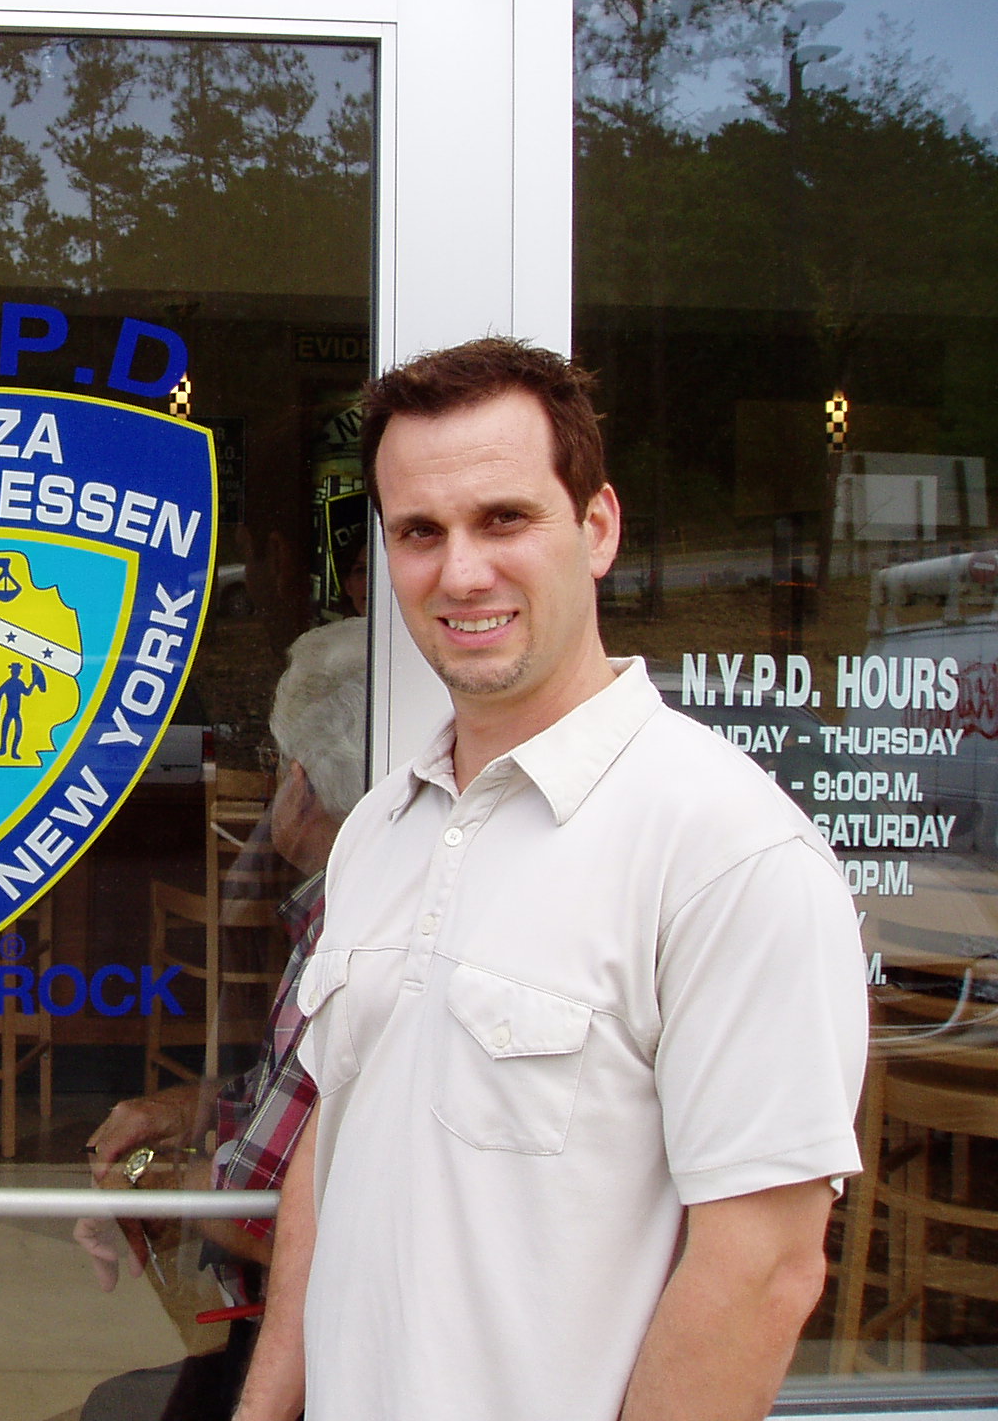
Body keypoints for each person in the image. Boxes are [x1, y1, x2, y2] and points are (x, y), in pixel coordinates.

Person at [233, 338, 869, 1421]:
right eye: (418, 533)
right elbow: (328, 1169)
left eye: (503, 519)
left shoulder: (725, 851)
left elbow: (761, 1271)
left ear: (598, 528)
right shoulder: (380, 826)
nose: (460, 571)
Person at [76, 618, 367, 1421]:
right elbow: (295, 1100)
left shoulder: (356, 945)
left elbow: (254, 1205)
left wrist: (137, 1182)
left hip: (307, 1351)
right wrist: (179, 1109)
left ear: (299, 780)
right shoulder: (336, 916)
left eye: (276, 769)